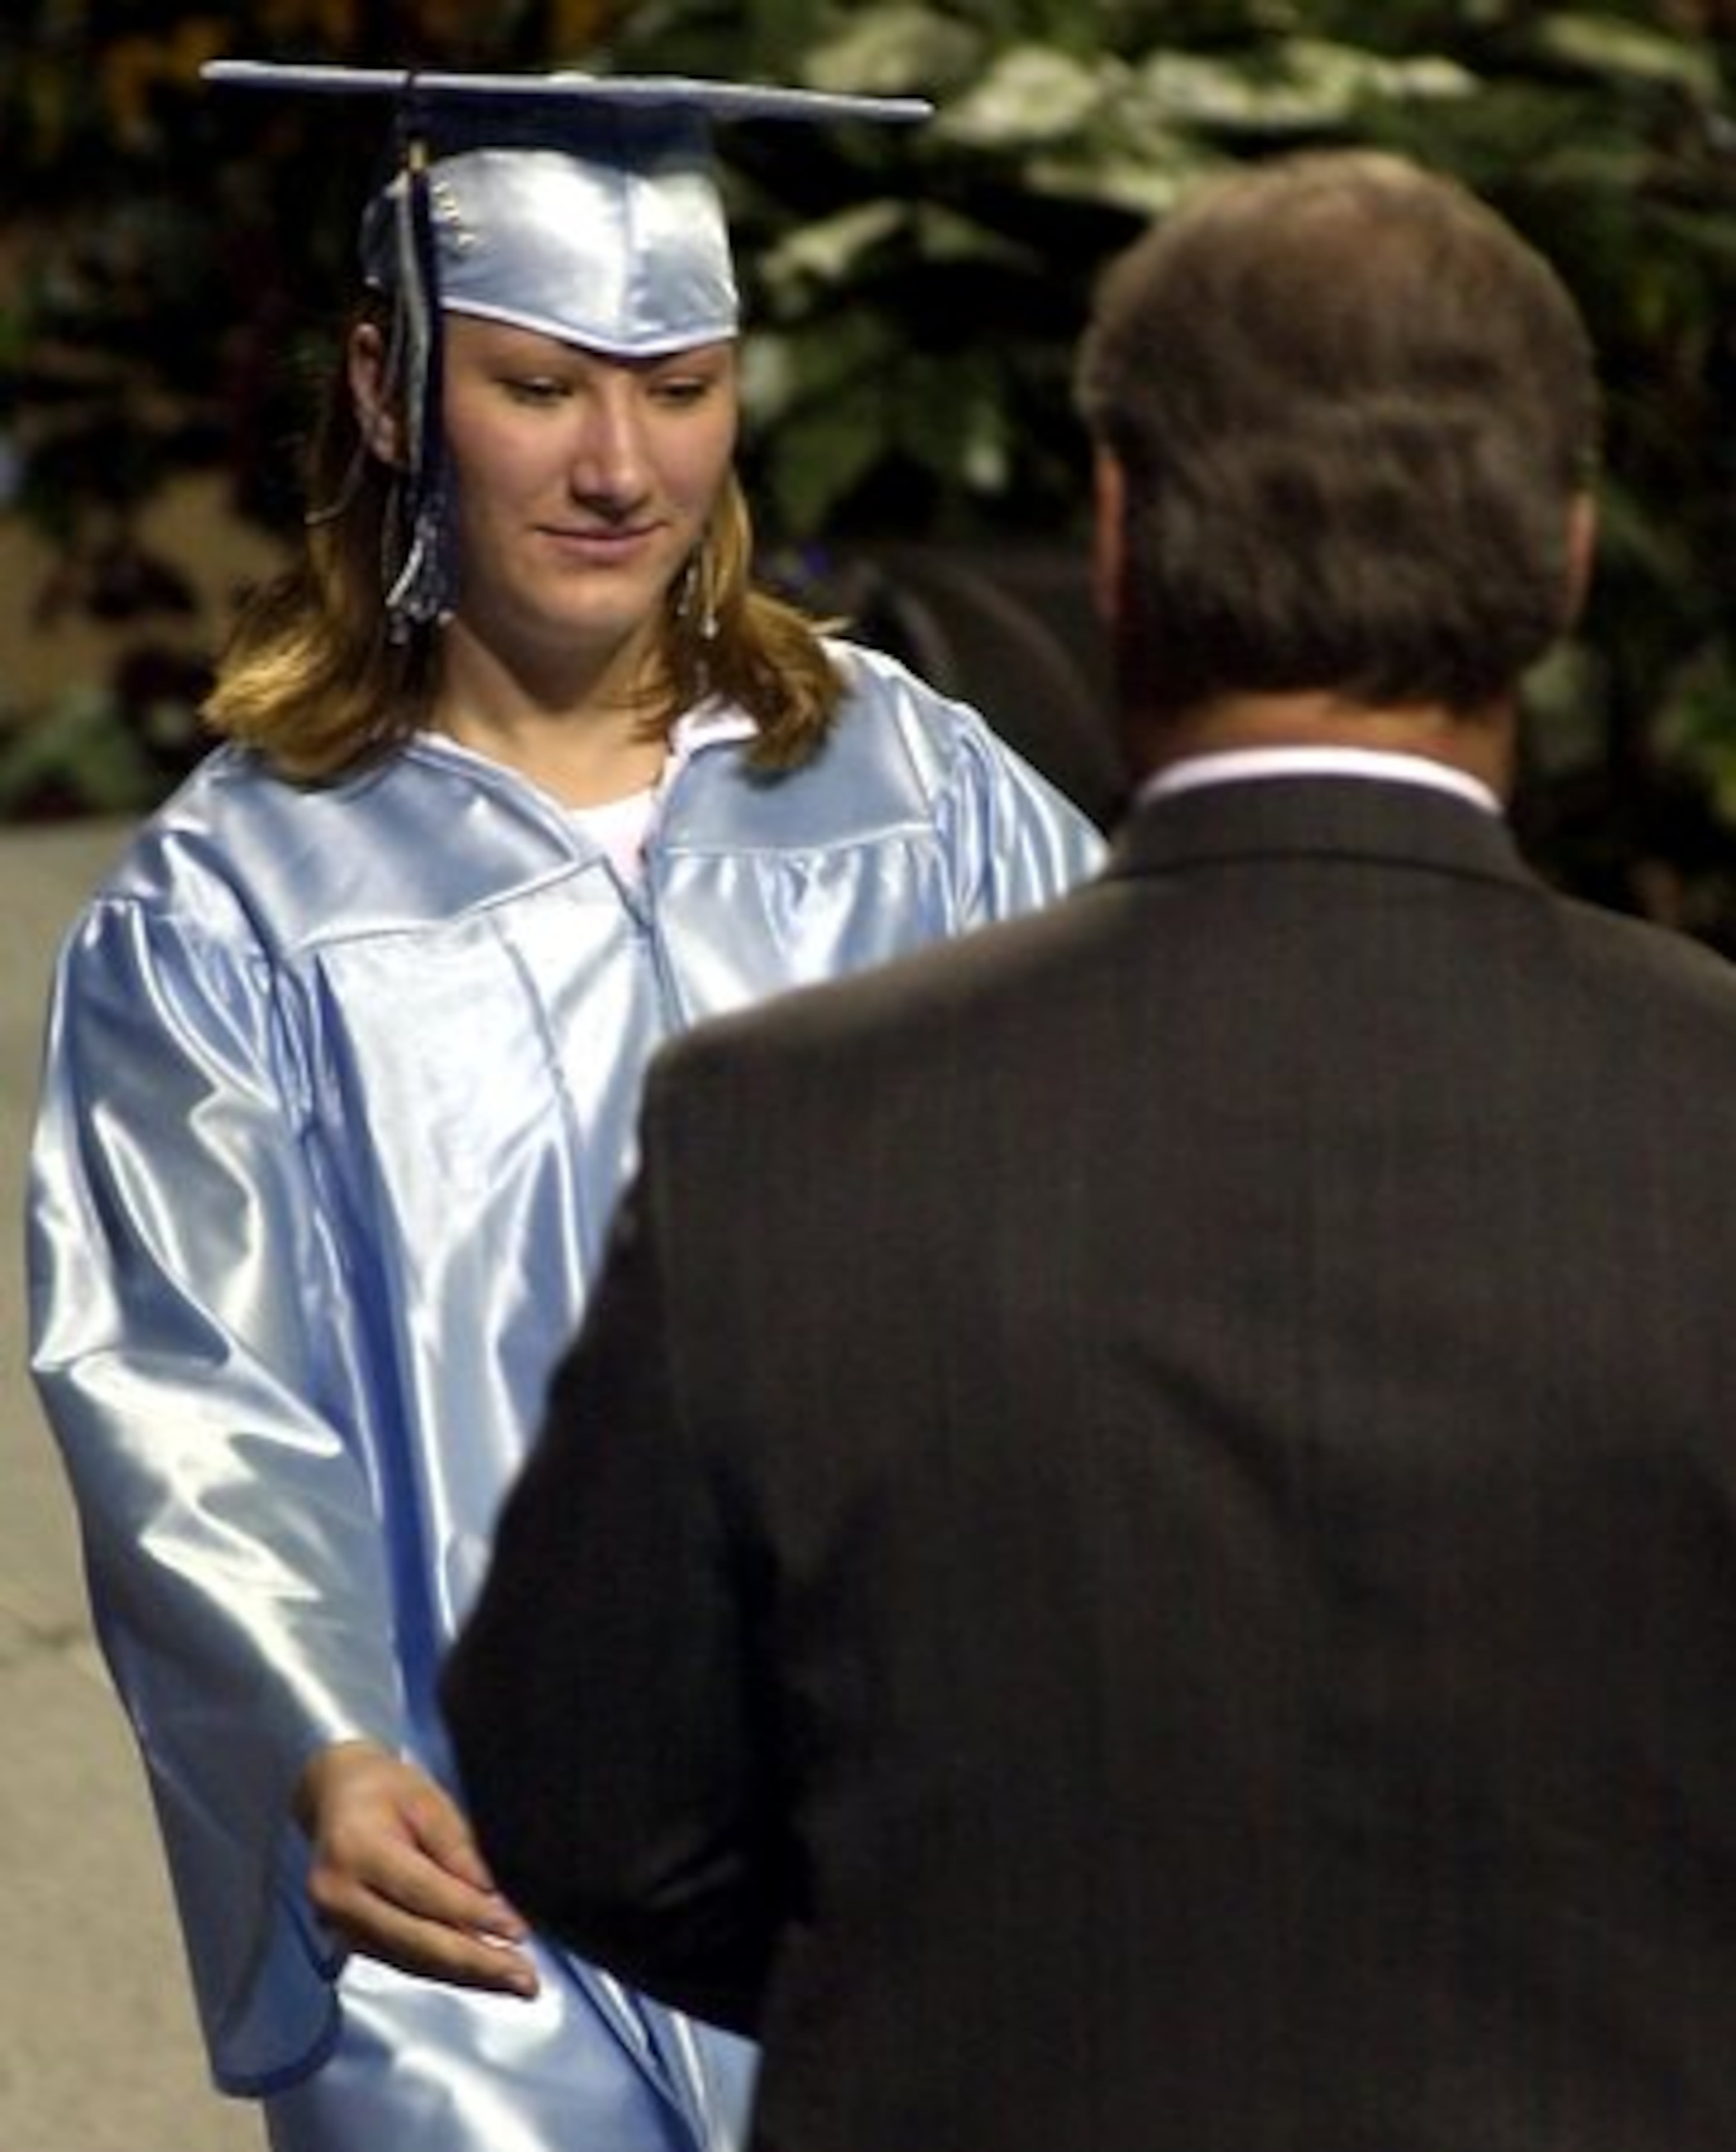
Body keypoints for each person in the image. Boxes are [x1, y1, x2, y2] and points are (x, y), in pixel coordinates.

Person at [443, 147, 1736, 2152]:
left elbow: (595, 1799)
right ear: (1565, 561)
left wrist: (954, 1958)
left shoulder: (781, 1135)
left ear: (1117, 539)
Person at [24, 59, 1102, 2152]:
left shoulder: (921, 792)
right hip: (475, 1900)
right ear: (387, 382)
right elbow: (186, 1381)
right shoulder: (240, 902)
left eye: (681, 384)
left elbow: (1145, 1173)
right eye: (538, 386)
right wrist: (319, 1742)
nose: (622, 465)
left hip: (899, 1859)